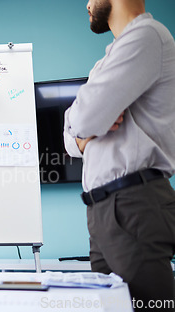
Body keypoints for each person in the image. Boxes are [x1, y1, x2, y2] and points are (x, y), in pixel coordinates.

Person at [63, 0, 175, 310]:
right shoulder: (105, 62)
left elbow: (81, 119)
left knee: (148, 306)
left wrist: (84, 122)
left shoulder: (146, 36)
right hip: (104, 210)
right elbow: (70, 140)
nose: (87, 4)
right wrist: (86, 126)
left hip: (132, 202)